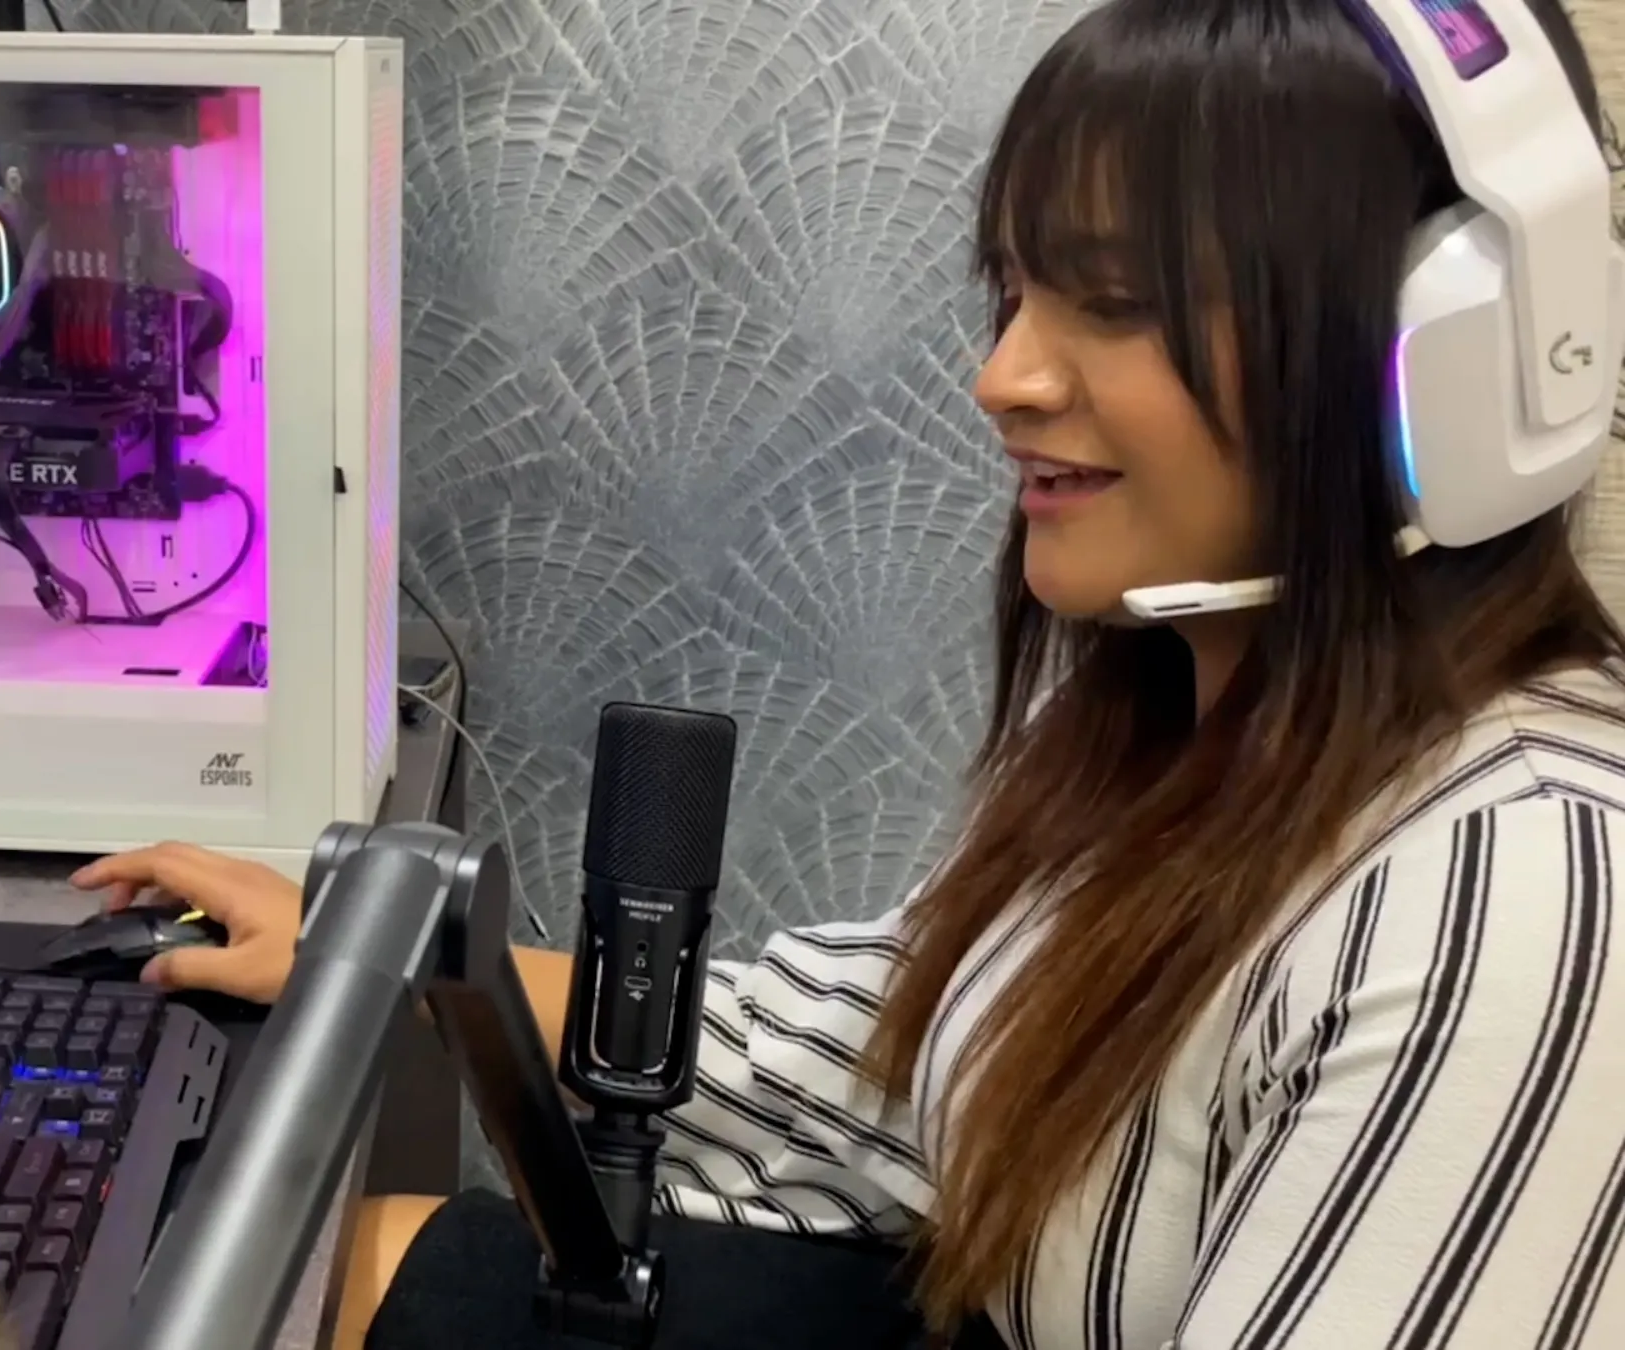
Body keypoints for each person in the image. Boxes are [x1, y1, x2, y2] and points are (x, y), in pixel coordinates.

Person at [79, 0, 1625, 1346]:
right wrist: (393, 957)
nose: (1005, 374)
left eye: (1115, 303)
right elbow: (889, 1063)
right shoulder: (1182, 720)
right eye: (1016, 290)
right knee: (336, 1271)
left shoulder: (1511, 890)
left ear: (1450, 351)